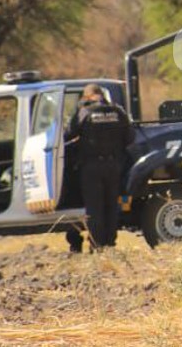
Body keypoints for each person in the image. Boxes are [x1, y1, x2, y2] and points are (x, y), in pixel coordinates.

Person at [64, 84, 134, 252]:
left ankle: (97, 245)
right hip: (114, 166)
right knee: (111, 205)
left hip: (91, 167)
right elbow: (130, 138)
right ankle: (110, 244)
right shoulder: (118, 112)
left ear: (87, 96)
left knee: (94, 208)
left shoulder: (85, 112)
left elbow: (68, 134)